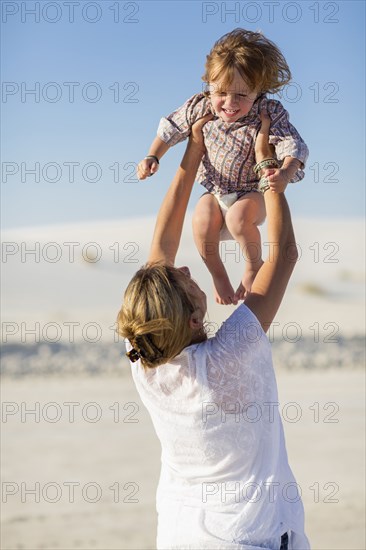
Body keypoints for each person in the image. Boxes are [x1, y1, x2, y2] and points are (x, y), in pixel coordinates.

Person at [118, 111, 310, 549]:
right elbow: (283, 255)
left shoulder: (145, 355)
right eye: (186, 281)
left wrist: (194, 147)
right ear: (190, 318)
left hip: (180, 535)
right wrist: (267, 170)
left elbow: (161, 247)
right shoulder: (230, 355)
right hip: (250, 540)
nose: (185, 267)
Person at [137, 28, 309, 305]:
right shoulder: (200, 107)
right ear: (208, 84)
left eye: (242, 95)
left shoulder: (267, 112)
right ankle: (218, 275)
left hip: (251, 193)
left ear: (258, 91)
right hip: (216, 192)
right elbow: (170, 128)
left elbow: (293, 145)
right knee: (201, 220)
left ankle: (253, 264)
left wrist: (285, 173)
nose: (230, 103)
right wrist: (153, 156)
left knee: (239, 218)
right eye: (221, 92)